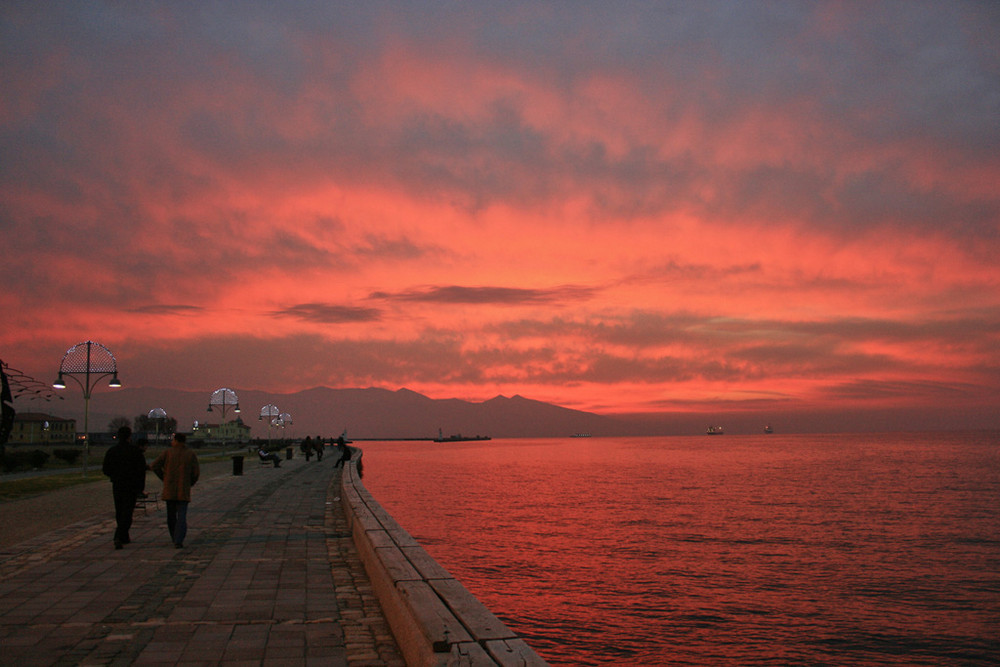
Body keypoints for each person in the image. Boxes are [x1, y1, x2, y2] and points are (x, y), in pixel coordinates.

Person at [101, 426, 148, 549]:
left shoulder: (112, 451)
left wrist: (114, 475)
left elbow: (106, 469)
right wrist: (140, 488)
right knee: (127, 512)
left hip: (117, 484)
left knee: (119, 510)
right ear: (129, 436)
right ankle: (119, 536)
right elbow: (141, 471)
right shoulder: (135, 452)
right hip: (131, 485)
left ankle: (124, 536)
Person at [150, 433, 200, 548]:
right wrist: (190, 483)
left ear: (176, 440)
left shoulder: (168, 453)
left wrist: (164, 477)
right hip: (183, 489)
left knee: (171, 516)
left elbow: (154, 466)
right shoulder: (190, 454)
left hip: (170, 489)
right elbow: (196, 473)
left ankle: (174, 536)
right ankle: (179, 539)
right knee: (182, 515)